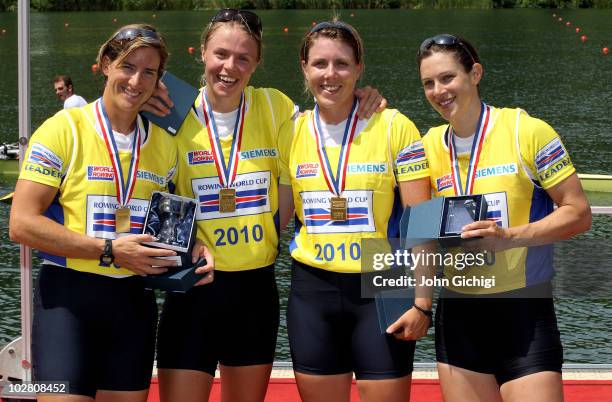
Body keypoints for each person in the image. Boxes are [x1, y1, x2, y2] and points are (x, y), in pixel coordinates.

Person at [150, 9, 386, 402]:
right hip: (193, 285)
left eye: (243, 58)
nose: (230, 67)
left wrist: (364, 96)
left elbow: (327, 119)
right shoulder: (171, 106)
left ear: (257, 62)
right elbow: (148, 186)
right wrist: (179, 246)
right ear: (202, 53)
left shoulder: (276, 107)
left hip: (254, 290)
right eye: (221, 54)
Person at [9, 24, 213, 402]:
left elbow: (165, 229)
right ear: (105, 64)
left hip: (132, 304)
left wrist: (193, 245)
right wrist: (109, 250)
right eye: (127, 66)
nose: (136, 80)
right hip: (66, 301)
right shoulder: (61, 129)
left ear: (159, 80)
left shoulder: (164, 147)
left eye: (149, 72)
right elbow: (20, 224)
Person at [417, 34, 591, 402]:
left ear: (475, 73)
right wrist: (420, 304)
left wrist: (509, 237)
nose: (438, 91)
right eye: (428, 83)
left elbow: (578, 213)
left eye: (447, 78)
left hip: (524, 312)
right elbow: (420, 231)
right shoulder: (426, 145)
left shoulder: (526, 131)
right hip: (458, 314)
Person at [277, 20, 432, 402]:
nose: (331, 75)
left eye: (342, 64)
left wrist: (424, 303)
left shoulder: (394, 126)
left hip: (382, 284)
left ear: (359, 68)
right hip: (313, 290)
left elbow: (421, 221)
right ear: (304, 68)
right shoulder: (289, 132)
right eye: (320, 64)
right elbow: (277, 219)